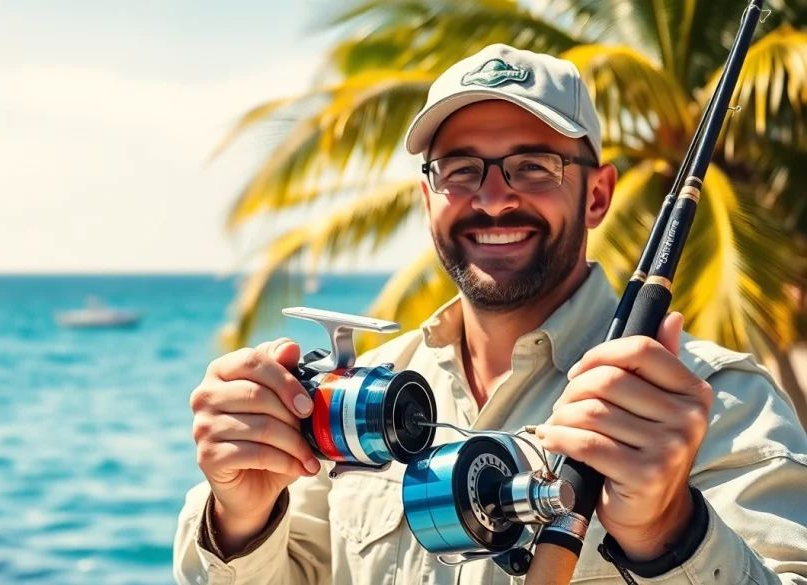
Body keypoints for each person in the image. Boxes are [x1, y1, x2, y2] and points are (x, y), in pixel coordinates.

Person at [172, 44, 807, 584]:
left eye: (533, 166)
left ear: (598, 195)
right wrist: (240, 516)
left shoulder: (716, 401)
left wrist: (672, 528)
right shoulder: (356, 397)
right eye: (461, 168)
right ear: (429, 197)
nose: (493, 198)